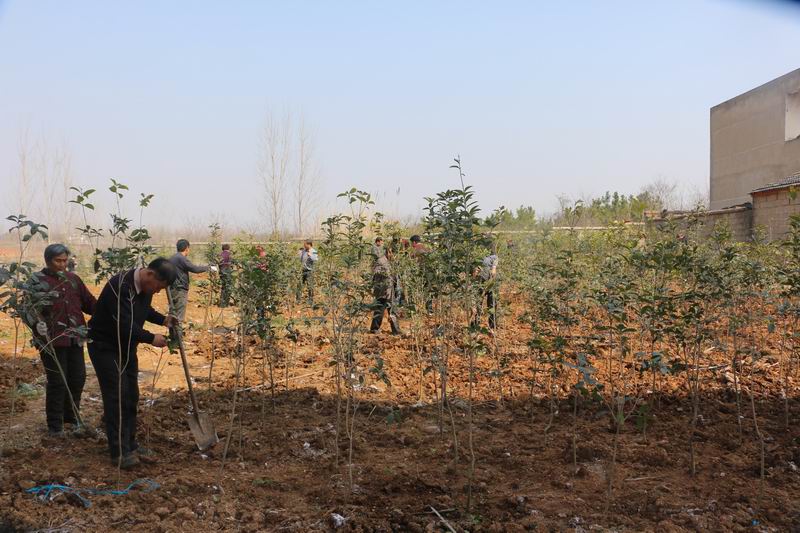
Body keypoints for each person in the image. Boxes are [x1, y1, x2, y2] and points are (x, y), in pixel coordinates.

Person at [87, 258, 177, 468]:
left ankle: (130, 444)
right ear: (150, 275)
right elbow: (124, 324)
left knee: (131, 395)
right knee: (117, 396)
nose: (157, 292)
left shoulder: (144, 288)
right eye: (159, 287)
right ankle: (119, 452)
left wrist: (163, 320)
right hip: (105, 347)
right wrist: (151, 338)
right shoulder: (120, 286)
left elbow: (143, 310)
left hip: (126, 347)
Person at [32, 244, 97, 437]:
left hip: (75, 337)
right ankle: (55, 425)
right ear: (47, 261)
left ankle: (71, 417)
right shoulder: (37, 281)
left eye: (64, 260)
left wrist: (108, 309)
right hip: (51, 340)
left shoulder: (73, 279)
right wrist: (36, 324)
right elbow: (28, 308)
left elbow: (89, 303)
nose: (62, 264)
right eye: (58, 261)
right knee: (57, 382)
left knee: (77, 378)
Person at [168, 239, 217, 325]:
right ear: (187, 248)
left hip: (172, 289)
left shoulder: (172, 258)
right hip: (180, 290)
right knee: (179, 317)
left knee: (172, 313)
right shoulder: (181, 258)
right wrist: (209, 268)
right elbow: (195, 269)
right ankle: (178, 333)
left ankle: (172, 332)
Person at [370, 254, 402, 335]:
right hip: (382, 291)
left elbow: (396, 276)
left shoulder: (393, 262)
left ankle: (396, 331)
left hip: (391, 290)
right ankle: (374, 329)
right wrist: (385, 275)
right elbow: (375, 273)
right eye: (393, 253)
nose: (395, 256)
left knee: (393, 310)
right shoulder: (381, 261)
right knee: (380, 309)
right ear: (388, 252)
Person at [472, 244, 499, 330]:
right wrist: (475, 271)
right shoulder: (478, 257)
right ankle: (476, 323)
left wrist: (493, 270)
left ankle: (492, 325)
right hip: (479, 284)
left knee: (492, 304)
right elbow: (474, 273)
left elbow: (494, 270)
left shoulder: (494, 257)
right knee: (478, 304)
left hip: (490, 284)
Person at [298, 240, 318, 305]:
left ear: (309, 244)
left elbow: (316, 259)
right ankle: (298, 300)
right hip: (302, 270)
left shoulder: (314, 251)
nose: (304, 245)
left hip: (309, 271)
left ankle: (310, 301)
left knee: (310, 286)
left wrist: (310, 255)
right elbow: (301, 259)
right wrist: (299, 253)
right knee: (300, 285)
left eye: (305, 244)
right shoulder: (303, 251)